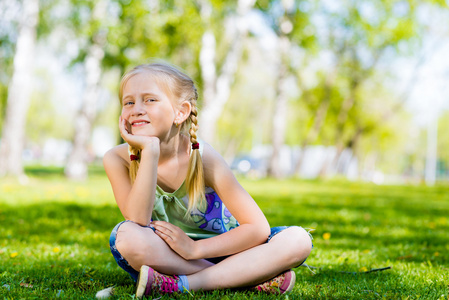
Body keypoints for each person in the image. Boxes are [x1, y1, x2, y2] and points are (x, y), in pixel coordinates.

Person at [103, 62, 313, 298]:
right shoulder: (116, 159)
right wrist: (150, 151)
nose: (136, 109)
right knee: (126, 236)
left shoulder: (203, 158)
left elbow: (257, 229)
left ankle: (182, 285)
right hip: (167, 255)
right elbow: (138, 219)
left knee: (298, 239)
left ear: (180, 112)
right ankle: (246, 277)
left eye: (150, 100)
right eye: (129, 102)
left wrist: (195, 248)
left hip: (226, 249)